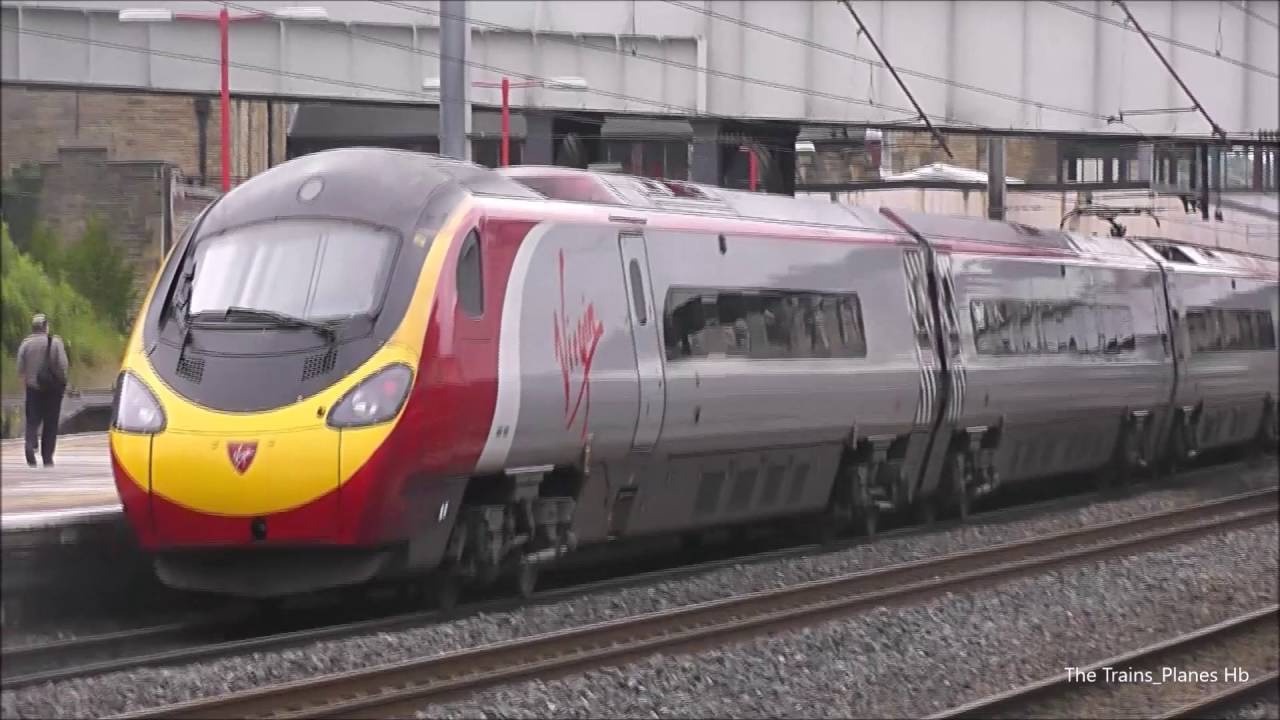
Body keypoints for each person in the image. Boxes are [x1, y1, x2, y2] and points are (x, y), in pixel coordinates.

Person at [15, 313, 69, 468]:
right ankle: (47, 457)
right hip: (52, 390)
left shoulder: (25, 344)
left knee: (32, 420)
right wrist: (62, 382)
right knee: (50, 423)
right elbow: (62, 366)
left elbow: (20, 370)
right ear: (45, 326)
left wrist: (28, 382)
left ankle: (30, 443)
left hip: (33, 389)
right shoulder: (55, 342)